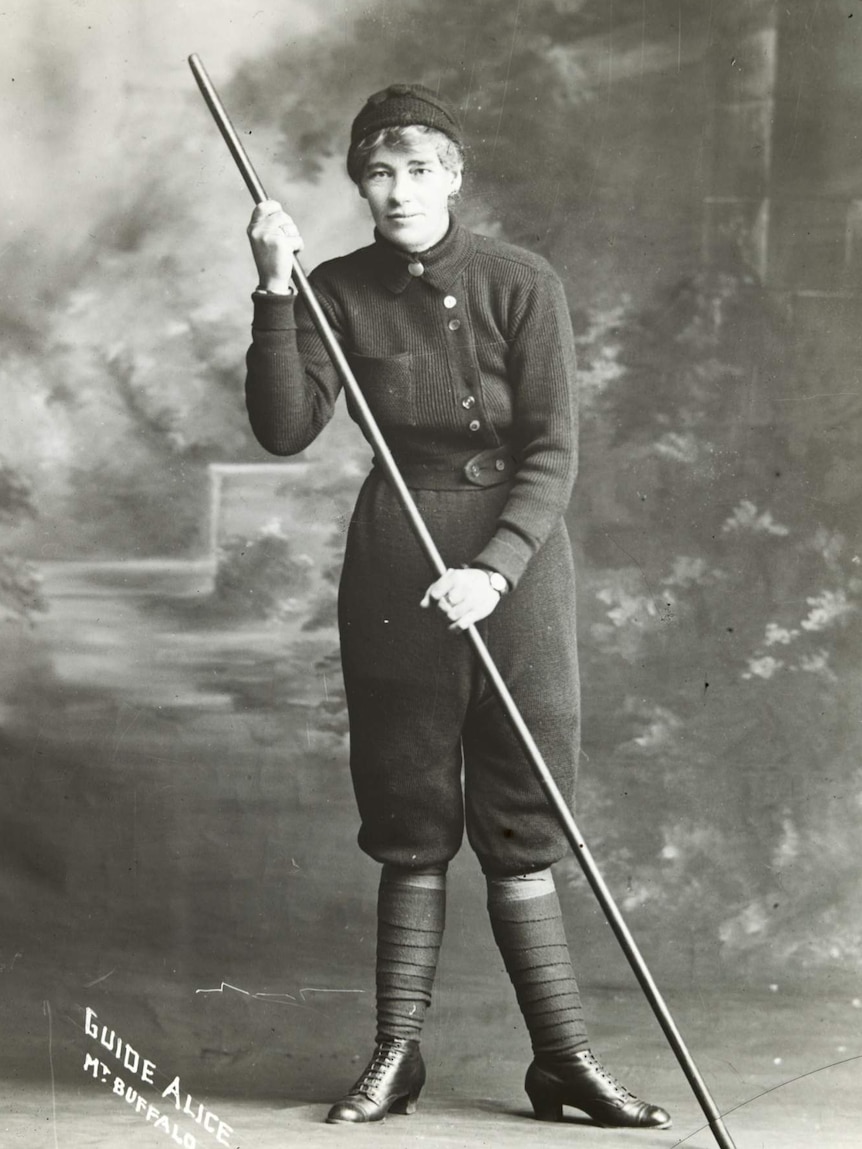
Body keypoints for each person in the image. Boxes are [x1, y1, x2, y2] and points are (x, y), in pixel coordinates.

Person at [244, 82, 671, 1131]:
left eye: (419, 170)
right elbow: (284, 429)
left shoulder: (523, 283)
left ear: (455, 177)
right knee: (408, 809)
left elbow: (553, 449)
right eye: (377, 174)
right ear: (359, 186)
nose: (398, 192)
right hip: (396, 560)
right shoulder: (334, 287)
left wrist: (497, 567)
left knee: (524, 809)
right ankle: (395, 1052)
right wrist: (272, 291)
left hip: (513, 569)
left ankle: (562, 1057)